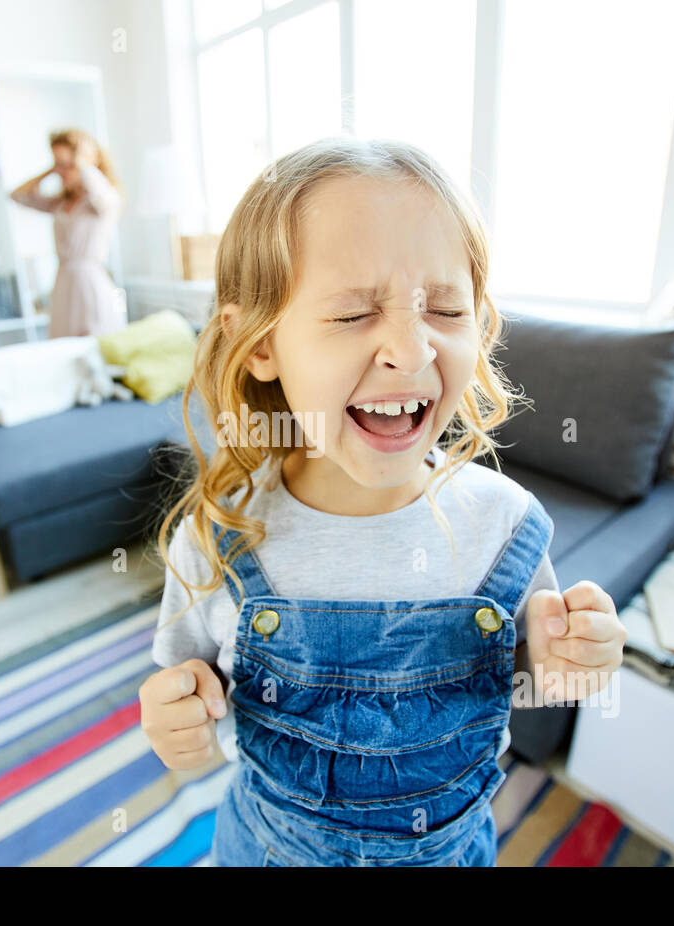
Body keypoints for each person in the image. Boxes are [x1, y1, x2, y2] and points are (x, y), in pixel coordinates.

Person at [138, 137, 629, 867]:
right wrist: (173, 721)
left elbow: (519, 683)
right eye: (350, 315)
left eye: (445, 309)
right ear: (261, 345)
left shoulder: (504, 527)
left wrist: (570, 662)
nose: (411, 348)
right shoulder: (222, 534)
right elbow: (182, 690)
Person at [9, 129, 125, 338]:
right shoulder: (60, 203)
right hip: (63, 282)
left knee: (95, 338)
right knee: (62, 340)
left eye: (68, 164)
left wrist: (82, 165)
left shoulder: (101, 201)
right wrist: (50, 171)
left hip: (90, 282)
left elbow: (103, 196)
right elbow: (17, 196)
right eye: (57, 163)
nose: (63, 171)